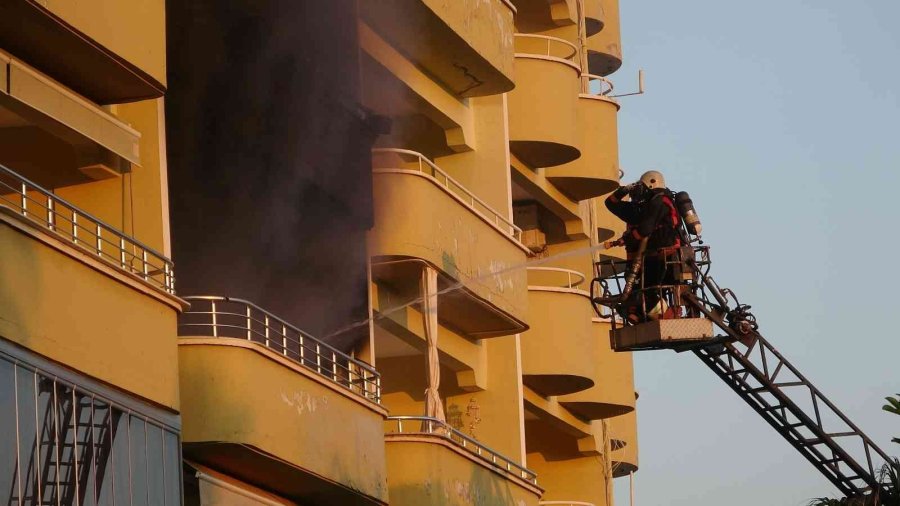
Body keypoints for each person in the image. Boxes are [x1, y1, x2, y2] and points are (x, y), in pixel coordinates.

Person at [603, 170, 682, 321]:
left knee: (646, 290)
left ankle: (667, 317)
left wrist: (626, 240)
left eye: (641, 188)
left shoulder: (660, 201)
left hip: (666, 257)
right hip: (649, 258)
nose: (638, 193)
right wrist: (624, 190)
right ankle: (639, 314)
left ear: (652, 184)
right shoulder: (641, 209)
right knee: (637, 290)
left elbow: (645, 229)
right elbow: (610, 203)